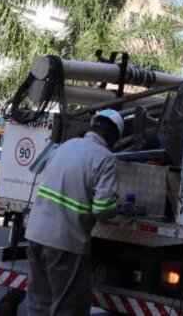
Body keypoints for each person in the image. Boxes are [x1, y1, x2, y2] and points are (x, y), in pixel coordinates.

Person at [25, 109, 122, 315]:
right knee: (68, 307)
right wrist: (117, 205)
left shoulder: (65, 146)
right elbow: (102, 210)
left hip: (35, 234)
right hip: (65, 241)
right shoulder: (106, 159)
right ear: (114, 136)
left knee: (38, 300)